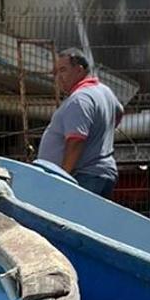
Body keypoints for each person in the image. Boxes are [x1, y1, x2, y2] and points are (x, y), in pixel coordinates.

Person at [37, 48, 124, 198]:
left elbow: (75, 142)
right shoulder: (104, 91)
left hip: (84, 176)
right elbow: (119, 111)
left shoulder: (79, 99)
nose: (58, 77)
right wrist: (100, 135)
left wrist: (62, 177)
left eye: (63, 70)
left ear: (79, 70)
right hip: (100, 174)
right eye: (56, 72)